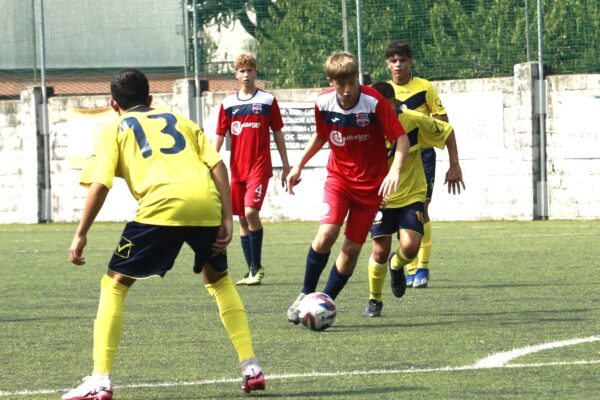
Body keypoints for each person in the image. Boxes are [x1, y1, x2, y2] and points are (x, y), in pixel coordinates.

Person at [63, 69, 265, 399]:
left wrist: (81, 233)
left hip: (161, 206)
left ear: (114, 105)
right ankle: (251, 366)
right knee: (218, 281)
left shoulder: (113, 127)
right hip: (206, 205)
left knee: (113, 284)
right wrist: (227, 217)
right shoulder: (180, 120)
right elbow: (218, 166)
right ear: (151, 100)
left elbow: (100, 183)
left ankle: (100, 378)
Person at [285, 52, 410, 324]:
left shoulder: (374, 102)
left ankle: (323, 303)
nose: (348, 88)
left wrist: (395, 171)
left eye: (352, 81)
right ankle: (305, 295)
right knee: (327, 233)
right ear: (332, 81)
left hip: (371, 189)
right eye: (341, 83)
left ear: (358, 78)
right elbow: (321, 135)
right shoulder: (323, 103)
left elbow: (401, 139)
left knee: (351, 249)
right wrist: (298, 166)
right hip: (339, 180)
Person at [364, 81, 465, 317]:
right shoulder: (366, 126)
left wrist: (454, 165)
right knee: (379, 250)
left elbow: (447, 132)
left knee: (409, 248)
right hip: (380, 198)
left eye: (384, 107)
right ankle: (374, 300)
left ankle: (397, 265)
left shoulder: (413, 120)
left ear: (394, 103)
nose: (380, 113)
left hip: (411, 194)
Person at [214, 52, 291, 286]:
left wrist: (287, 166)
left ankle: (257, 268)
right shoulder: (228, 104)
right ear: (236, 75)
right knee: (242, 221)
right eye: (242, 71)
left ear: (255, 72)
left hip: (259, 167)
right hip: (237, 170)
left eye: (250, 70)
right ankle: (250, 271)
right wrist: (207, 162)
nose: (246, 74)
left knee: (250, 213)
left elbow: (277, 133)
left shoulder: (267, 101)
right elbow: (219, 136)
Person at [386, 40, 449, 288]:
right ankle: (407, 266)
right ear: (387, 64)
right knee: (397, 211)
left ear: (410, 62)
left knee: (420, 208)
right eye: (394, 60)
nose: (398, 64)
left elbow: (442, 121)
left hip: (422, 156)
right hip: (391, 158)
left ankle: (421, 268)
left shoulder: (424, 87)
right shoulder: (383, 92)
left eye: (402, 60)